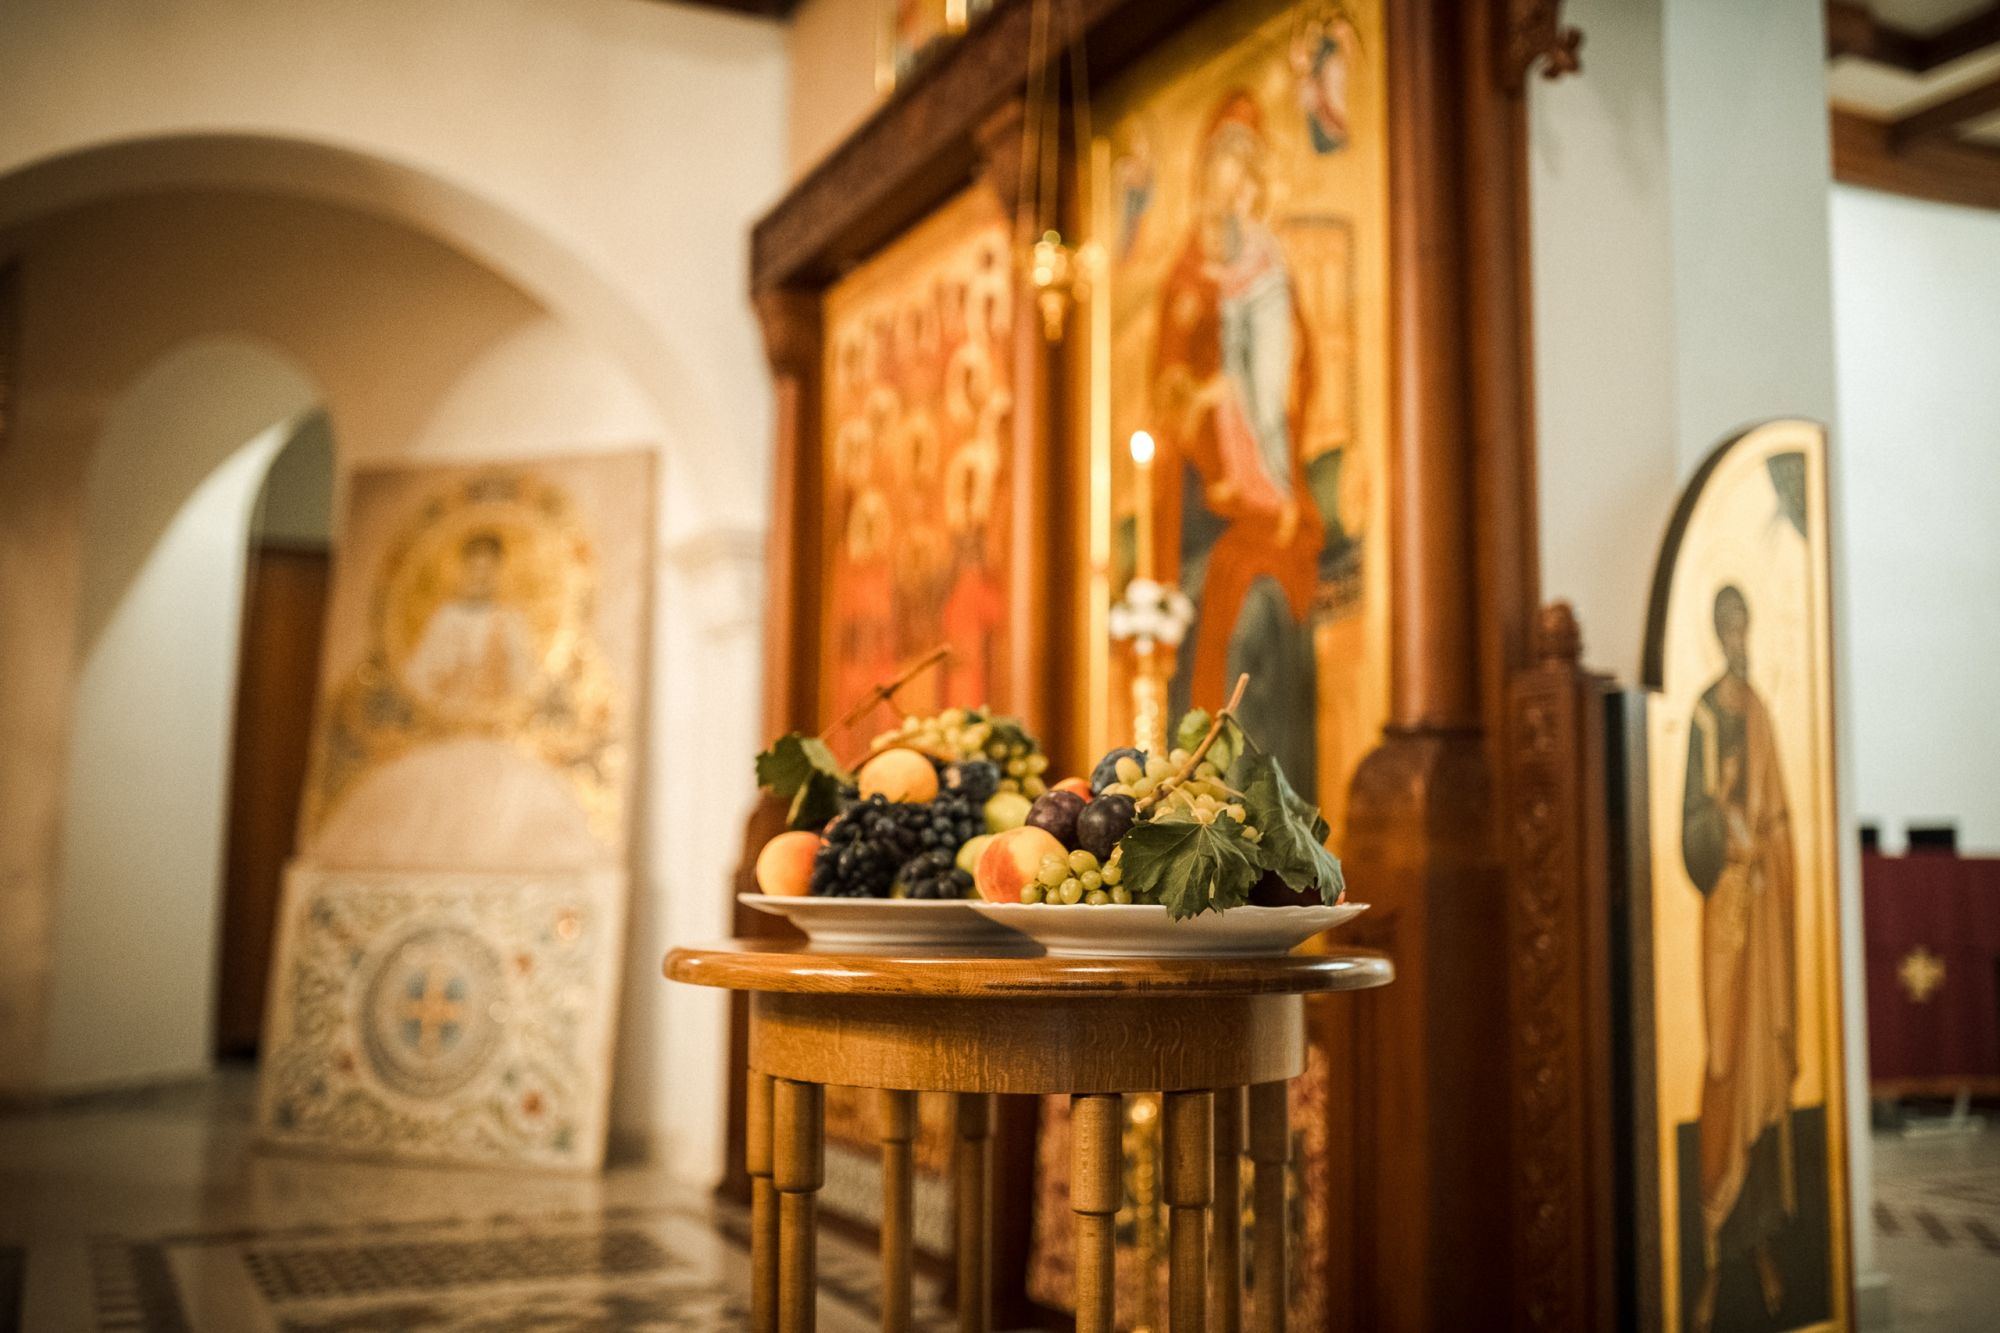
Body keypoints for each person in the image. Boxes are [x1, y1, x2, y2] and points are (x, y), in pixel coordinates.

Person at [1149, 89, 1321, 794]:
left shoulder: (1267, 271)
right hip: (1201, 501)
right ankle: (1193, 799)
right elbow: (1168, 384)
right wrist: (1195, 406)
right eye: (1220, 182)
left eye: (1242, 183)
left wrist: (1246, 402)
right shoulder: (1185, 281)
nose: (1231, 199)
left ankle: (1262, 806)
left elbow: (1289, 374)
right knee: (1209, 615)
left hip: (1264, 487)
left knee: (1260, 614)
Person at [1681, 584, 1799, 1330]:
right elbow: (1689, 825)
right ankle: (1713, 1249)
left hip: (1762, 914)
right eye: (1726, 626)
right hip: (1723, 915)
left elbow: (1780, 815)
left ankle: (1760, 1247)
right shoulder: (1702, 713)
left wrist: (1768, 848)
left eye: (1743, 625)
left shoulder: (1759, 711)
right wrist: (1722, 827)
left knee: (1761, 1060)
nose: (1737, 637)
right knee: (1725, 1060)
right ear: (1715, 632)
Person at [404, 530, 537, 712]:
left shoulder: (511, 620)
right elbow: (416, 678)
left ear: (498, 572)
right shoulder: (446, 618)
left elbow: (527, 680)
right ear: (464, 571)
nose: (480, 578)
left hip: (493, 715)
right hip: (448, 714)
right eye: (475, 569)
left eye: (488, 570)